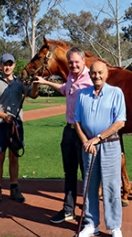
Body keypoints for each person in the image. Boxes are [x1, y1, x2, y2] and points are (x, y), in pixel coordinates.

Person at [33, 47, 92, 223]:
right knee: (69, 172)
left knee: (87, 175)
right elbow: (65, 89)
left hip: (84, 133)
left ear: (83, 61)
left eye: (76, 62)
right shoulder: (71, 77)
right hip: (69, 131)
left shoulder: (91, 79)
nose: (73, 65)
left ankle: (89, 216)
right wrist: (44, 81)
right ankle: (68, 210)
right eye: (71, 62)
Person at [74, 61, 126, 237]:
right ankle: (91, 224)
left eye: (100, 73)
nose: (97, 76)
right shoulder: (82, 95)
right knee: (89, 185)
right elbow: (77, 122)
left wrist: (98, 138)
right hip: (88, 147)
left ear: (107, 73)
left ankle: (114, 227)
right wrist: (85, 142)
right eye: (93, 73)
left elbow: (120, 122)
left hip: (110, 145)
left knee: (111, 187)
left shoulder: (116, 93)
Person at [0, 53, 39, 206]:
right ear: (1, 65)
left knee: (14, 157)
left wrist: (35, 83)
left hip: (16, 125)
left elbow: (33, 95)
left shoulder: (19, 83)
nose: (7, 67)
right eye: (5, 64)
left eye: (10, 64)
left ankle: (14, 188)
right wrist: (4, 116)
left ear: (14, 65)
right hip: (0, 125)